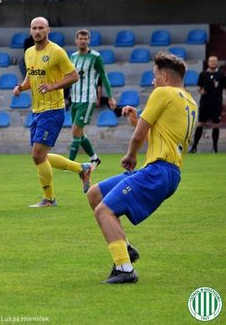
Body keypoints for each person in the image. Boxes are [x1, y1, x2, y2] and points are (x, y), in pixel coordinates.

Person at [86, 53, 197, 284]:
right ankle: (125, 247)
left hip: (158, 171)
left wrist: (130, 155)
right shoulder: (189, 101)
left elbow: (139, 136)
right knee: (95, 194)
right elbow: (158, 137)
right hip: (166, 171)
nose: (153, 81)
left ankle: (125, 269)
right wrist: (137, 121)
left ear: (164, 76)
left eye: (155, 76)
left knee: (103, 211)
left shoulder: (162, 92)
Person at [13, 16, 92, 208]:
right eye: (34, 28)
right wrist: (21, 88)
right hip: (37, 110)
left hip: (53, 109)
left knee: (37, 155)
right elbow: (31, 78)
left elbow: (73, 76)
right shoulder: (29, 52)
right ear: (30, 31)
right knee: (40, 156)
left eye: (41, 28)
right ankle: (82, 168)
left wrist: (53, 86)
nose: (37, 31)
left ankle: (49, 199)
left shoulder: (57, 52)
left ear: (48, 30)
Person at [69, 29, 116, 169]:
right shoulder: (72, 57)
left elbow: (103, 76)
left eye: (85, 39)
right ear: (76, 40)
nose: (83, 41)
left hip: (87, 98)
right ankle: (94, 158)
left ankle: (69, 164)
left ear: (89, 40)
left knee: (75, 131)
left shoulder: (95, 57)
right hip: (75, 98)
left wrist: (110, 96)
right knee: (79, 132)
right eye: (80, 38)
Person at [189, 55, 225, 153]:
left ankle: (215, 147)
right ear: (208, 62)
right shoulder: (203, 74)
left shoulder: (221, 75)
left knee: (216, 125)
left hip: (216, 103)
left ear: (217, 62)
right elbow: (198, 87)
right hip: (205, 102)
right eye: (211, 61)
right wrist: (201, 91)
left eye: (214, 61)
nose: (213, 63)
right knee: (201, 123)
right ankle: (194, 146)